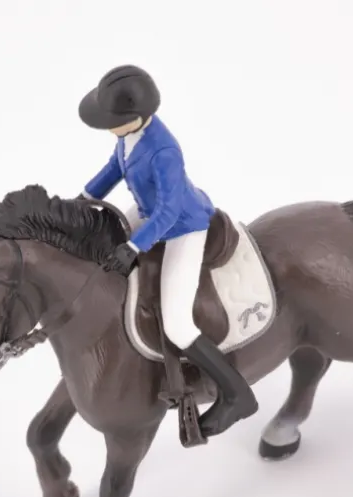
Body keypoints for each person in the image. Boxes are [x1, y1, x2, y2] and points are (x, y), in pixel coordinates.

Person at [77, 64, 258, 437]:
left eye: (113, 121)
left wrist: (135, 246)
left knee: (177, 323)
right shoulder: (128, 137)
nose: (108, 127)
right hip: (149, 212)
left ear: (136, 117)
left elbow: (170, 210)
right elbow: (113, 170)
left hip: (182, 227)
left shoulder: (164, 151)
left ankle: (236, 394)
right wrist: (82, 200)